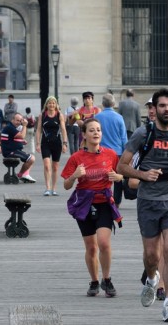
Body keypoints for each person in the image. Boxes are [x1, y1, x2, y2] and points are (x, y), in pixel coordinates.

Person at [117, 88, 168, 323]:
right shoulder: (143, 134)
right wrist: (143, 174)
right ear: (155, 108)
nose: (166, 109)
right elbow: (122, 167)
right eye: (162, 105)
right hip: (148, 201)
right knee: (152, 255)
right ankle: (152, 279)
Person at [61, 118, 123, 298]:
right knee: (91, 248)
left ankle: (107, 279)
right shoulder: (77, 157)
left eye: (98, 130)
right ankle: (94, 281)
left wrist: (118, 177)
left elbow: (122, 174)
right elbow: (66, 185)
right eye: (92, 130)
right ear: (84, 135)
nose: (96, 133)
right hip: (84, 205)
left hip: (104, 202)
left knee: (103, 242)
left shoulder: (110, 154)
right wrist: (74, 175)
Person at [95, 93, 127, 207]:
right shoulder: (119, 117)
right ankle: (117, 201)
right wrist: (125, 154)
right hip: (117, 152)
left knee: (101, 177)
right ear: (113, 104)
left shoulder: (97, 117)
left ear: (103, 104)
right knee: (117, 178)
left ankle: (102, 198)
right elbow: (123, 137)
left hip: (101, 152)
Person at [35, 96, 68, 196]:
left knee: (55, 167)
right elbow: (39, 129)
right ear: (47, 104)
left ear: (56, 104)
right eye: (50, 103)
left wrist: (65, 143)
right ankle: (47, 188)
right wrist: (37, 143)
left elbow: (63, 129)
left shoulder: (59, 115)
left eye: (53, 103)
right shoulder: (42, 115)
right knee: (46, 165)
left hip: (57, 143)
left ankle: (54, 188)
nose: (51, 105)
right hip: (45, 143)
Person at [1, 112, 36, 183]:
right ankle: (20, 175)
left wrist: (21, 141)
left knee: (31, 157)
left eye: (20, 121)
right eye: (17, 120)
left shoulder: (12, 127)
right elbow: (22, 135)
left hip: (12, 150)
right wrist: (25, 126)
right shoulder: (10, 127)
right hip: (10, 151)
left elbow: (12, 138)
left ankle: (25, 174)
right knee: (31, 159)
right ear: (12, 120)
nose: (19, 122)